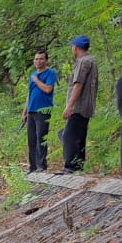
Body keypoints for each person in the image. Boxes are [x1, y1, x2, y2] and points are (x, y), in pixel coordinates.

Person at [59, 36, 98, 172]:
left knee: (69, 136)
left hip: (79, 106)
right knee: (79, 137)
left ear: (76, 47)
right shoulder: (91, 60)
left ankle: (70, 167)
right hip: (87, 106)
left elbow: (78, 85)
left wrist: (70, 106)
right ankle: (78, 166)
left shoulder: (83, 61)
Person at [23, 50, 57, 171]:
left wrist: (36, 80)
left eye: (41, 59)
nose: (38, 61)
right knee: (31, 139)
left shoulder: (50, 73)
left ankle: (41, 166)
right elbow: (29, 93)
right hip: (31, 110)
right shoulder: (32, 74)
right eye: (36, 59)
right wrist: (25, 111)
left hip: (43, 109)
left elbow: (48, 89)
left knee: (41, 138)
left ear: (46, 60)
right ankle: (32, 166)